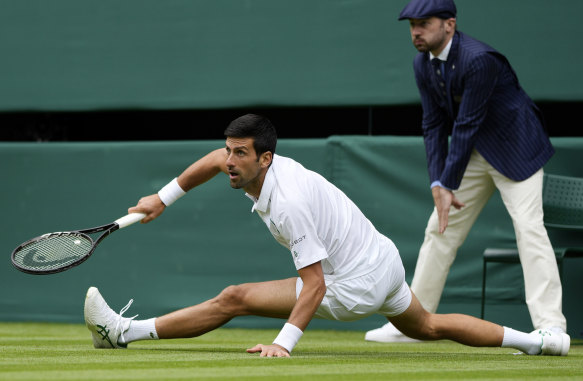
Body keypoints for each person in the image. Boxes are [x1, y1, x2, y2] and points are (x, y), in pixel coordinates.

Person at [83, 114, 569, 357]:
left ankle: (122, 333)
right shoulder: (247, 164)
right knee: (431, 326)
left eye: (240, 154)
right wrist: (161, 199)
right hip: (383, 261)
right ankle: (541, 343)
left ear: (265, 159)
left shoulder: (289, 203)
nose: (229, 161)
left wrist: (284, 342)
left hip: (354, 282)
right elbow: (211, 161)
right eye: (229, 150)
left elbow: (314, 286)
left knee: (234, 297)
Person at [365, 0, 567, 343]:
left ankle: (552, 326)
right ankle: (413, 322)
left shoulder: (479, 60)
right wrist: (437, 184)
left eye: (424, 24)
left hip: (518, 149)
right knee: (439, 229)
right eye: (413, 26)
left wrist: (447, 182)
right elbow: (432, 126)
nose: (416, 32)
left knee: (529, 229)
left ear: (450, 25)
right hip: (476, 152)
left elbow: (466, 124)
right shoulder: (422, 64)